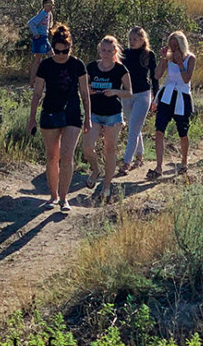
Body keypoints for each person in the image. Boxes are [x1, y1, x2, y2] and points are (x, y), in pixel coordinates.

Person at [27, 24, 91, 212]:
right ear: (52, 49)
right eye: (57, 51)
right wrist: (32, 118)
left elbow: (85, 93)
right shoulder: (46, 65)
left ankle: (64, 198)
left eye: (65, 51)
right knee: (52, 156)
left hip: (72, 112)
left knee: (67, 156)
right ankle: (53, 195)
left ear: (70, 48)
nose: (61, 55)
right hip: (50, 111)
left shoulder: (78, 64)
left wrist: (88, 117)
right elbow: (37, 93)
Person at [83, 36, 132, 203]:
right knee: (88, 146)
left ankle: (106, 186)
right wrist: (87, 90)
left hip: (113, 114)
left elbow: (129, 92)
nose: (106, 54)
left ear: (115, 52)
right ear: (99, 50)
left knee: (109, 150)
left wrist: (115, 91)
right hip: (94, 113)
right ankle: (95, 170)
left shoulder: (121, 69)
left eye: (109, 51)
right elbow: (82, 87)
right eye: (103, 50)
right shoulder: (91, 67)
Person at [149, 31, 195, 178]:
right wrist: (164, 59)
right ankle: (158, 166)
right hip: (167, 95)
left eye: (177, 46)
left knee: (183, 131)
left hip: (182, 96)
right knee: (159, 130)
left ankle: (184, 161)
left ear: (182, 45)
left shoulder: (190, 58)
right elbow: (156, 75)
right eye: (172, 45)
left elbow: (187, 79)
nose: (174, 48)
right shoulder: (168, 58)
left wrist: (180, 63)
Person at [118, 26, 159, 175]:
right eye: (130, 39)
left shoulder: (148, 54)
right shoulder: (125, 54)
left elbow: (154, 76)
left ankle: (126, 162)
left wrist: (157, 96)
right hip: (127, 93)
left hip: (143, 94)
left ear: (142, 40)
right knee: (133, 127)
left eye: (135, 39)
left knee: (133, 129)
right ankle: (139, 157)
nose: (132, 42)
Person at [26, 0, 55, 87]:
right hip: (40, 38)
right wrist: (36, 33)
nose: (51, 7)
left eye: (52, 5)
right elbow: (31, 23)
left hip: (45, 38)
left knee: (52, 57)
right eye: (49, 5)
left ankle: (49, 79)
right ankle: (32, 82)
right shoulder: (43, 14)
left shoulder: (49, 14)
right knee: (38, 60)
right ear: (44, 5)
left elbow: (48, 25)